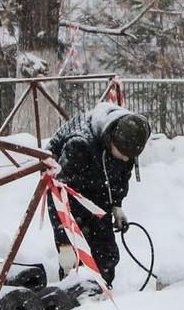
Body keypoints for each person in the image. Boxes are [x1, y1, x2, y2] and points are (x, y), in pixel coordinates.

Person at [46, 101, 151, 286]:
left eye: (131, 156)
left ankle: (103, 291)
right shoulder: (79, 145)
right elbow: (57, 195)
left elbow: (121, 176)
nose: (127, 159)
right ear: (110, 140)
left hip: (98, 191)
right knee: (77, 260)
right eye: (123, 153)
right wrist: (65, 242)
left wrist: (116, 204)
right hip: (69, 195)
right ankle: (73, 299)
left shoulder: (128, 136)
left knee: (107, 255)